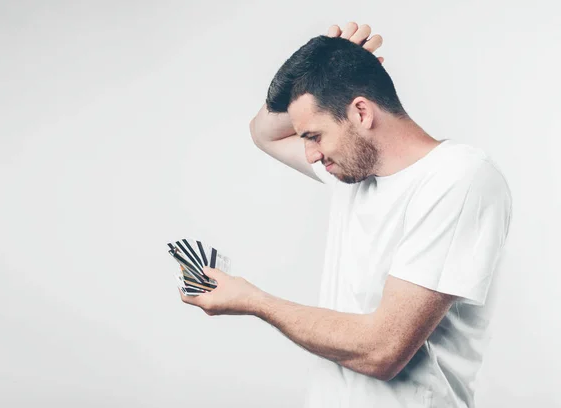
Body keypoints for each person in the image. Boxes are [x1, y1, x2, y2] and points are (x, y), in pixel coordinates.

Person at [179, 22, 513, 408]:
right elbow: (262, 131)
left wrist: (254, 300)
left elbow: (382, 351)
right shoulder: (352, 171)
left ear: (360, 112)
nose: (310, 155)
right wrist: (321, 75)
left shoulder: (459, 179)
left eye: (313, 136)